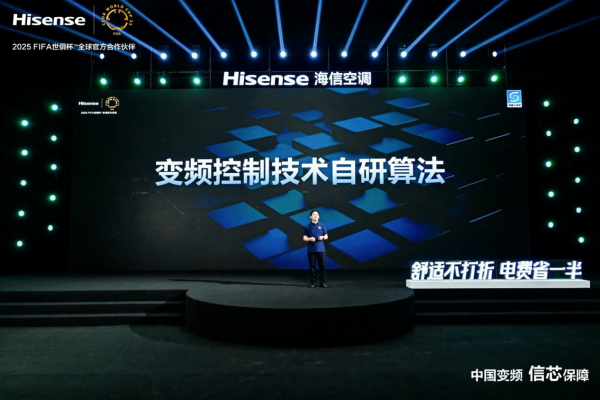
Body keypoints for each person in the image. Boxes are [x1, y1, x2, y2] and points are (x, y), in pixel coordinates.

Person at [303, 210, 328, 288]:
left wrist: (323, 237)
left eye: (317, 214)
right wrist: (310, 239)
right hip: (311, 250)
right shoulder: (307, 227)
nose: (315, 215)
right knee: (312, 267)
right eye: (314, 214)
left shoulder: (322, 226)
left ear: (319, 216)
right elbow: (304, 238)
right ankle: (313, 282)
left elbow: (326, 236)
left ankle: (323, 282)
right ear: (311, 216)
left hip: (321, 249)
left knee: (322, 266)